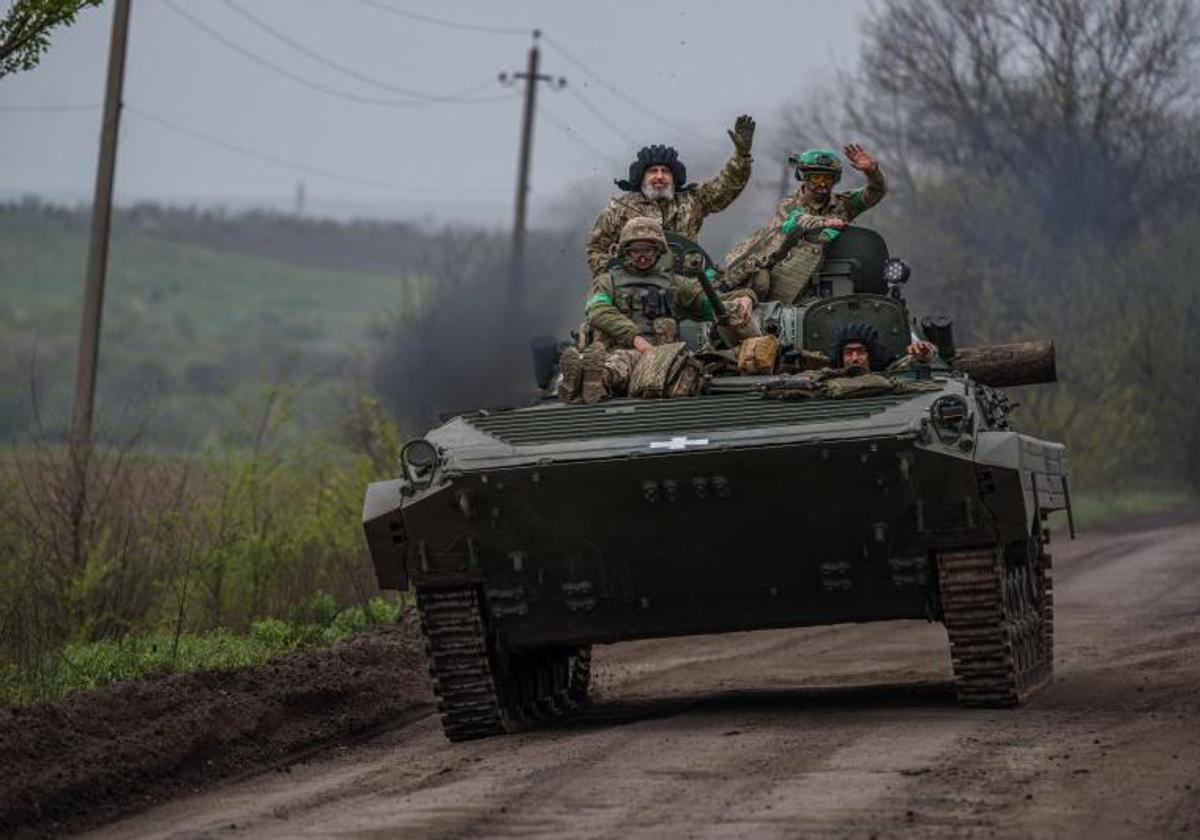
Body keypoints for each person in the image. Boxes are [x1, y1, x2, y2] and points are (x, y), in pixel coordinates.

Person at [560, 217, 757, 404]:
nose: (642, 257)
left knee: (630, 363)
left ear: (659, 250)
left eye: (649, 250)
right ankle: (586, 379)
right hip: (617, 350)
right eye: (636, 251)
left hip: (658, 358)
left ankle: (594, 380)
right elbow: (598, 311)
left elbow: (712, 304)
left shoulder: (676, 284)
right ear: (625, 252)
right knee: (615, 361)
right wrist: (637, 339)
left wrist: (747, 296)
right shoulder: (607, 281)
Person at [585, 116, 756, 274]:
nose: (659, 176)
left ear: (674, 177)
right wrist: (619, 273)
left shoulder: (691, 201)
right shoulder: (618, 210)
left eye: (665, 171)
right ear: (641, 177)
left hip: (686, 286)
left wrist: (741, 156)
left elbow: (725, 187)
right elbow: (596, 250)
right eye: (653, 171)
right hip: (633, 288)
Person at [723, 144, 887, 301]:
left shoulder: (843, 204)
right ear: (804, 177)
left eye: (828, 178)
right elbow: (799, 220)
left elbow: (875, 192)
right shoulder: (789, 203)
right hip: (778, 270)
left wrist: (873, 172)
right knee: (760, 283)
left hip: (823, 275)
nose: (822, 184)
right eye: (816, 177)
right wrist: (827, 222)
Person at [828, 321, 935, 372]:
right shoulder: (826, 379)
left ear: (871, 355)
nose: (854, 358)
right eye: (848, 353)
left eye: (861, 352)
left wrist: (924, 353)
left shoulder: (890, 373)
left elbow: (915, 361)